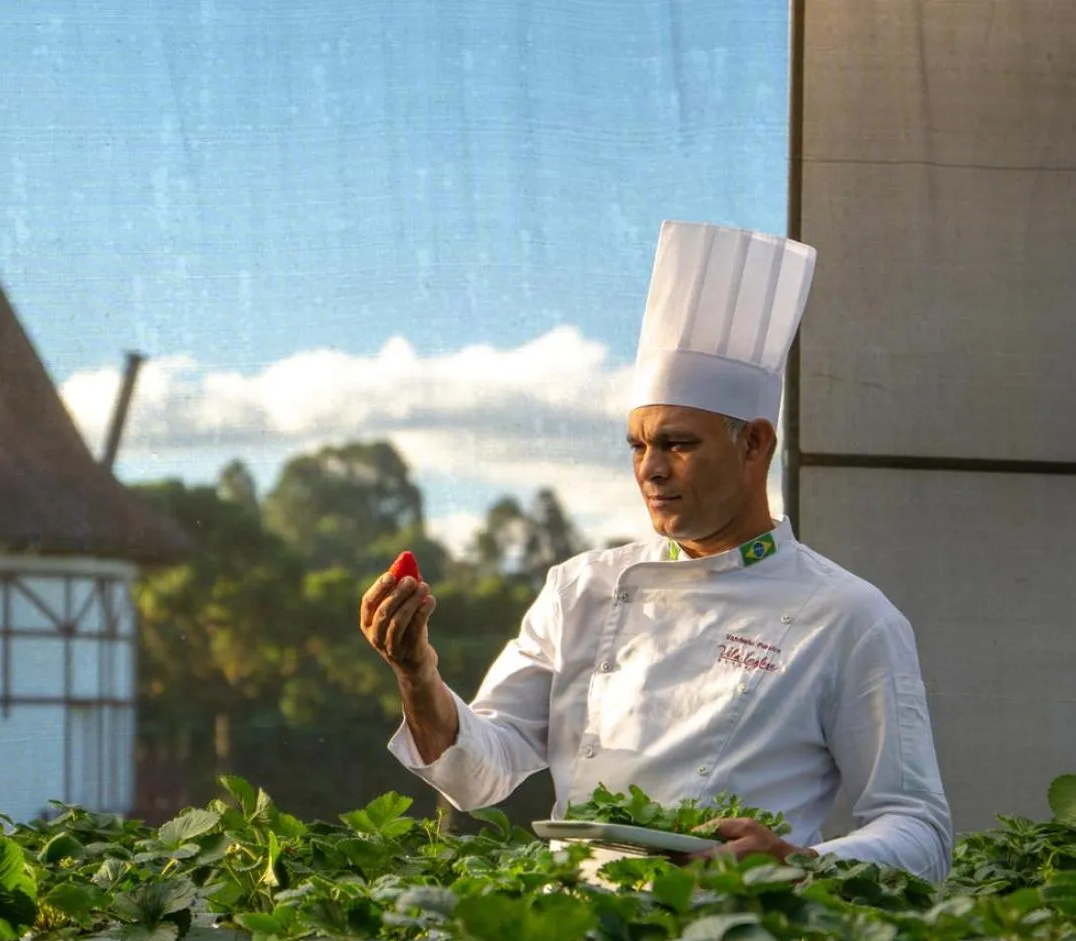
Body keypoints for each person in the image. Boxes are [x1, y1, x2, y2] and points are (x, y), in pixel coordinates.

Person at [360, 220, 952, 882]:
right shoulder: (580, 588)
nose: (651, 470)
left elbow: (919, 829)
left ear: (755, 444)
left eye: (678, 444)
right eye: (637, 446)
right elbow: (478, 774)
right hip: (575, 931)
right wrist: (417, 673)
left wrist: (804, 862)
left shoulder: (847, 616)